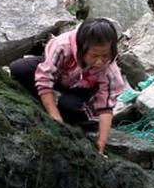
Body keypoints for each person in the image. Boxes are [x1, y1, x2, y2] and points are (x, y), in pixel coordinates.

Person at [9, 18, 127, 156]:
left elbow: (106, 108)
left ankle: (76, 113)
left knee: (69, 108)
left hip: (83, 87)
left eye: (105, 55)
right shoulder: (62, 46)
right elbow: (45, 78)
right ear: (82, 49)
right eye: (94, 56)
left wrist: (100, 145)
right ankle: (46, 103)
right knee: (19, 68)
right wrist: (54, 116)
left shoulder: (110, 70)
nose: (100, 61)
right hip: (59, 75)